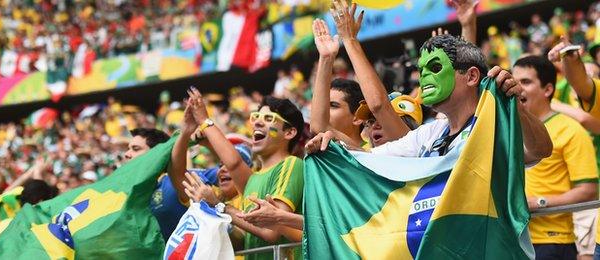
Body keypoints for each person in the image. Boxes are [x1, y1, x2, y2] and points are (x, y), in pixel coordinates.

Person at [308, 0, 551, 163]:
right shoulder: (428, 136)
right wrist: (327, 58)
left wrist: (518, 109)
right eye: (421, 69)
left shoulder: (496, 124)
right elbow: (364, 155)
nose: (424, 77)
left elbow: (540, 150)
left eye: (434, 68)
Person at [183, 87, 304, 260]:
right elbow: (233, 162)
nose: (257, 123)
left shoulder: (291, 164)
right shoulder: (254, 178)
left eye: (269, 118)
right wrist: (204, 121)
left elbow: (271, 231)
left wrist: (219, 205)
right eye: (256, 117)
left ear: (289, 132)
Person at [512, 55, 599, 260]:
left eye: (525, 82)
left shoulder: (571, 130)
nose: (517, 88)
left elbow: (588, 190)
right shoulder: (509, 128)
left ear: (548, 89)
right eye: (514, 81)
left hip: (552, 242)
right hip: (513, 238)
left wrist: (539, 202)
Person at [309, 18, 366, 149]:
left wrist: (326, 59)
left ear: (357, 118)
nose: (323, 110)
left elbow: (318, 125)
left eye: (333, 106)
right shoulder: (322, 151)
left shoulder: (372, 150)